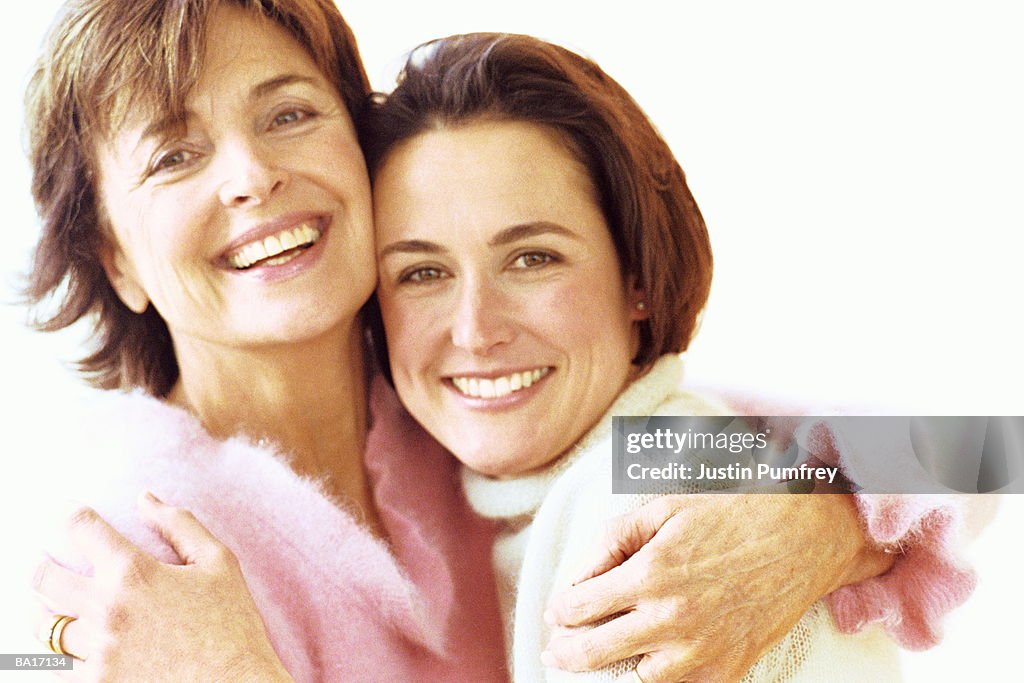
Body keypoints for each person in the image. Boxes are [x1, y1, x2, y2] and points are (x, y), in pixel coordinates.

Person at [24, 2, 975, 682]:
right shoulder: (126, 566)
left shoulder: (477, 417)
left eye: (289, 114)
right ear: (116, 258)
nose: (251, 175)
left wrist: (814, 522)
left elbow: (974, 451)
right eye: (174, 155)